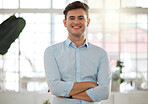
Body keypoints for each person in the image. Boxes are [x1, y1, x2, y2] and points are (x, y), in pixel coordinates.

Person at [44, 1, 111, 104]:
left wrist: (65, 92)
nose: (76, 22)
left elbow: (104, 92)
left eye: (80, 18)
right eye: (71, 18)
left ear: (87, 22)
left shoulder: (101, 54)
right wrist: (90, 84)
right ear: (65, 23)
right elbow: (55, 88)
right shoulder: (51, 52)